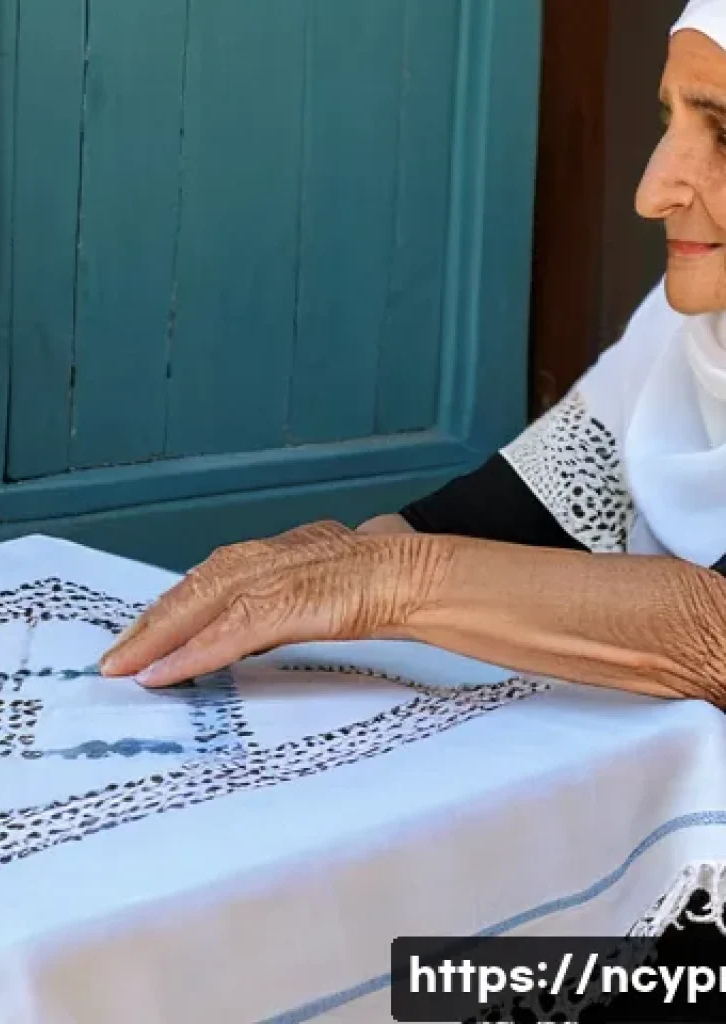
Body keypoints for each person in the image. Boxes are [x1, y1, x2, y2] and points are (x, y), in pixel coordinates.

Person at [101, 0, 726, 712]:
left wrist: (392, 582)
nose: (652, 192)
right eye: (667, 121)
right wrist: (323, 570)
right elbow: (470, 524)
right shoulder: (682, 342)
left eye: (725, 134)